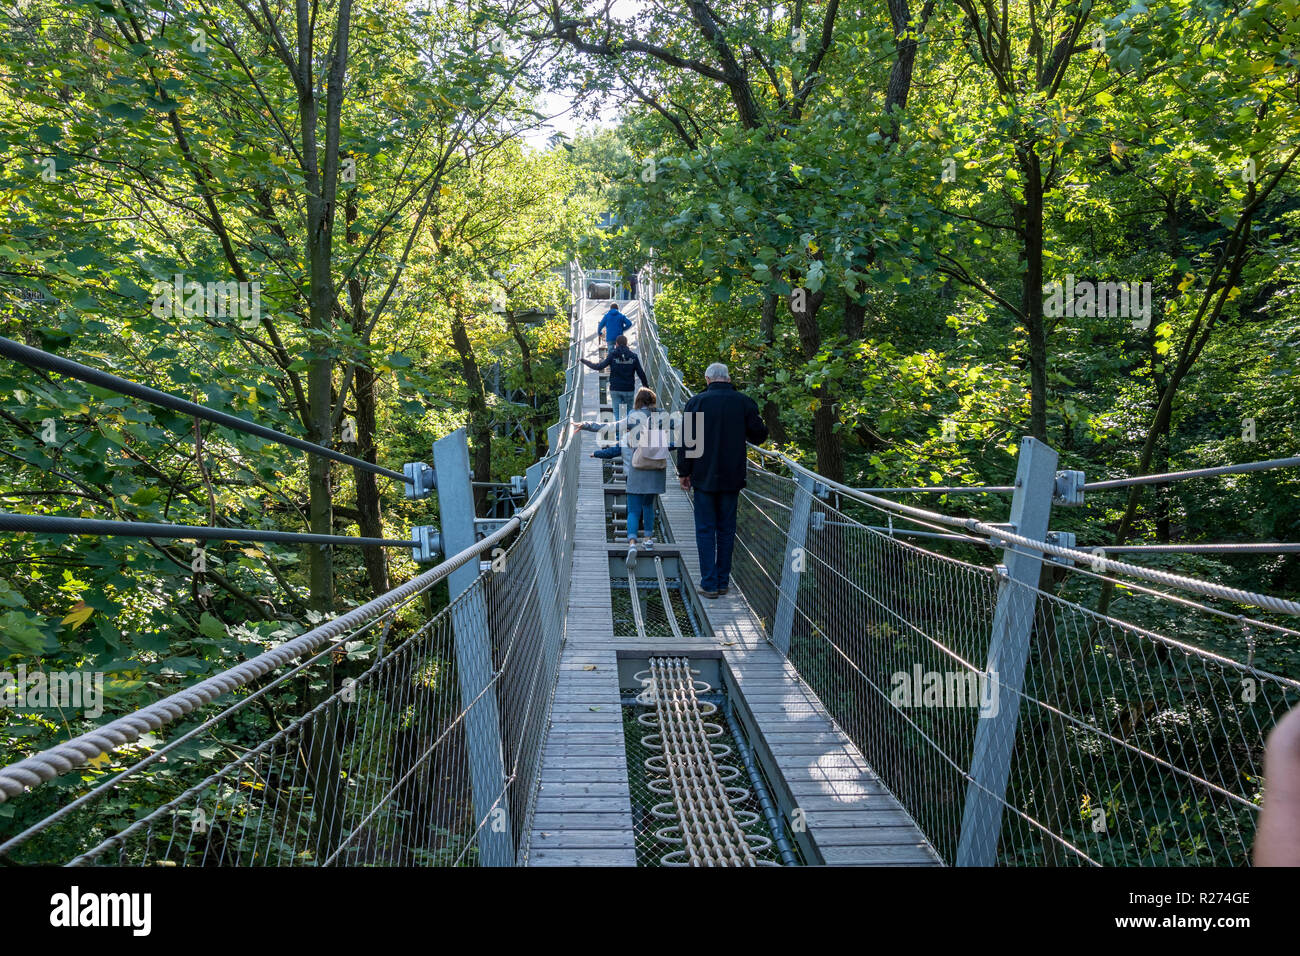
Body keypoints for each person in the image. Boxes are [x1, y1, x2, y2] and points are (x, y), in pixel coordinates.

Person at [676, 363, 768, 598]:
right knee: (726, 530)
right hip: (732, 477)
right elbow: (759, 436)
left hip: (703, 477)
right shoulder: (744, 402)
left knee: (705, 530)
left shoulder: (696, 403)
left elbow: (688, 442)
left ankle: (709, 584)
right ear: (728, 378)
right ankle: (723, 581)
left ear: (708, 379)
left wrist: (683, 472)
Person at [576, 387, 668, 569]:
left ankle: (632, 542)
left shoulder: (633, 417)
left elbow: (609, 427)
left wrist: (586, 425)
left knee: (633, 509)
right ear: (653, 401)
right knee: (648, 505)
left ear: (638, 401)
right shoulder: (661, 417)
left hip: (638, 468)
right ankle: (648, 539)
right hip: (656, 468)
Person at [583, 334, 647, 421]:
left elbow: (599, 367)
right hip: (629, 389)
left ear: (616, 344)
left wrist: (585, 361)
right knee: (629, 415)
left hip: (615, 389)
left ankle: (618, 434)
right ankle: (628, 433)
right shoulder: (634, 356)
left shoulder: (612, 355)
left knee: (617, 416)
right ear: (626, 344)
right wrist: (646, 388)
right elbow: (641, 374)